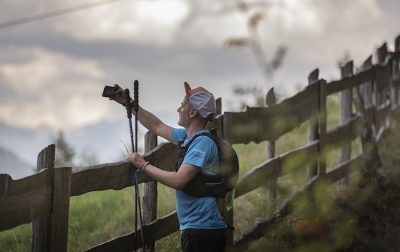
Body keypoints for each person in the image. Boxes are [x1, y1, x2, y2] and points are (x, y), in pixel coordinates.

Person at [110, 82, 227, 252]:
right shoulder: (188, 137)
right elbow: (156, 126)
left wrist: (143, 165)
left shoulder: (202, 143)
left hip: (202, 232)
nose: (178, 110)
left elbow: (179, 180)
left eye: (182, 106)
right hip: (199, 229)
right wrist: (128, 103)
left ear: (193, 112)